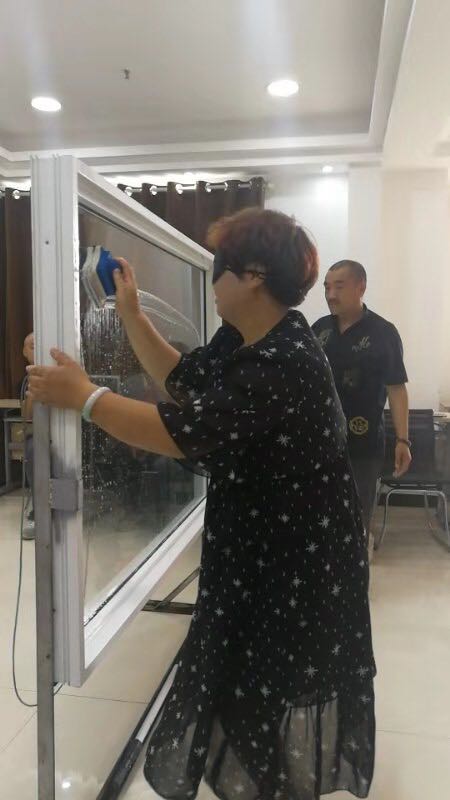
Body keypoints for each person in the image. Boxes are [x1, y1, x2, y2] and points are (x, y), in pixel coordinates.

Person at [28, 209, 376, 800]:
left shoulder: (284, 359)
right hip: (258, 554)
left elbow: (181, 431)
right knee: (244, 689)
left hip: (294, 568)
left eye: (220, 268)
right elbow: (186, 381)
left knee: (264, 693)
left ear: (254, 275)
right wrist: (131, 313)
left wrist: (85, 397)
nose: (212, 280)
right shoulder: (247, 340)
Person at [312, 260, 411, 544]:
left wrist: (403, 440)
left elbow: (397, 388)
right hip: (318, 440)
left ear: (361, 287)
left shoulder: (383, 332)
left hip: (362, 442)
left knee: (356, 515)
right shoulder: (319, 329)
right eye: (327, 287)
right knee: (318, 514)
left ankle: (355, 567)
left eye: (339, 287)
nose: (331, 294)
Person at [21, 332, 35, 540]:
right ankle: (40, 513)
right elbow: (28, 417)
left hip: (67, 432)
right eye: (32, 346)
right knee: (33, 450)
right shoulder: (25, 382)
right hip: (39, 437)